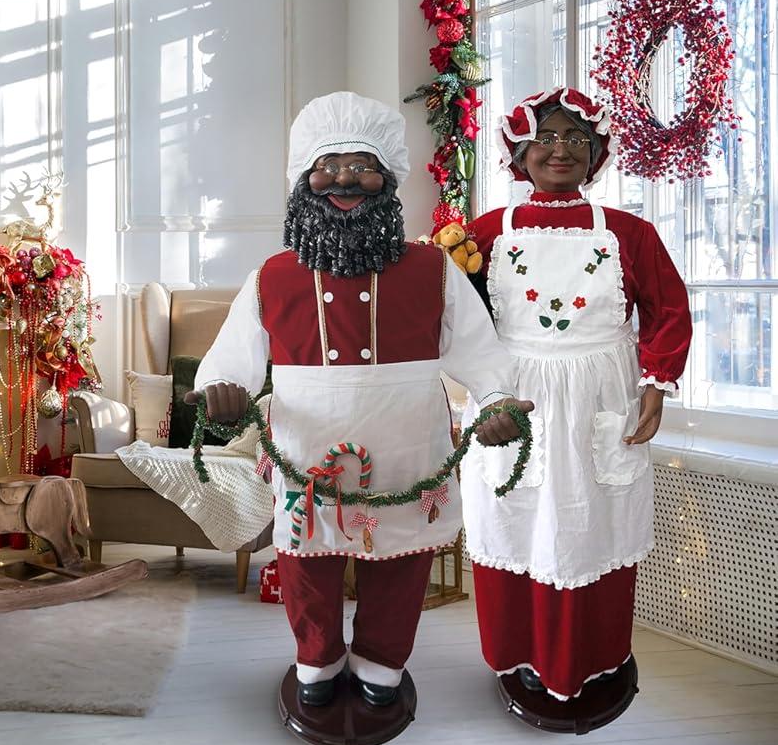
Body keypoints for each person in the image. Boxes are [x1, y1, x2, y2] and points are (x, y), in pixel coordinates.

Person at [191, 92, 531, 709]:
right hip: (307, 451)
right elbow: (230, 360)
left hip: (410, 448)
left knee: (402, 562)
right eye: (328, 166)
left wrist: (499, 402)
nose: (344, 180)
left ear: (389, 180)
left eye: (361, 166)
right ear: (303, 180)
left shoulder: (434, 269)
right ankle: (316, 660)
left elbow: (482, 355)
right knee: (306, 560)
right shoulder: (273, 275)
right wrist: (222, 391)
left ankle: (382, 660)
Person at [460, 87, 692, 710]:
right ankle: (520, 656)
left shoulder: (629, 233)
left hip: (600, 400)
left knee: (592, 530)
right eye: (545, 137)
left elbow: (668, 310)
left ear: (595, 154)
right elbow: (455, 319)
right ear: (519, 152)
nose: (559, 149)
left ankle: (593, 659)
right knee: (516, 523)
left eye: (574, 139)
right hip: (516, 398)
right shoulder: (482, 235)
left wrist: (656, 383)